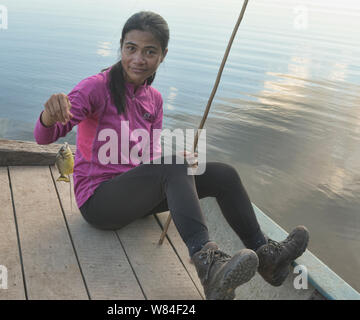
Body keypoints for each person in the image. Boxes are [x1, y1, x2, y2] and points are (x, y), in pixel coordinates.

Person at [34, 11, 309, 300]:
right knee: (174, 165)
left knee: (223, 174)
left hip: (134, 200)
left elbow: (150, 155)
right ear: (121, 47)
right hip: (99, 203)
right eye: (131, 48)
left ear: (163, 55)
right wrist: (48, 117)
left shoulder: (154, 99)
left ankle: (266, 256)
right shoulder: (95, 87)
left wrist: (173, 161)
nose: (139, 59)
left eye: (149, 51)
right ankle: (208, 265)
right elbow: (44, 137)